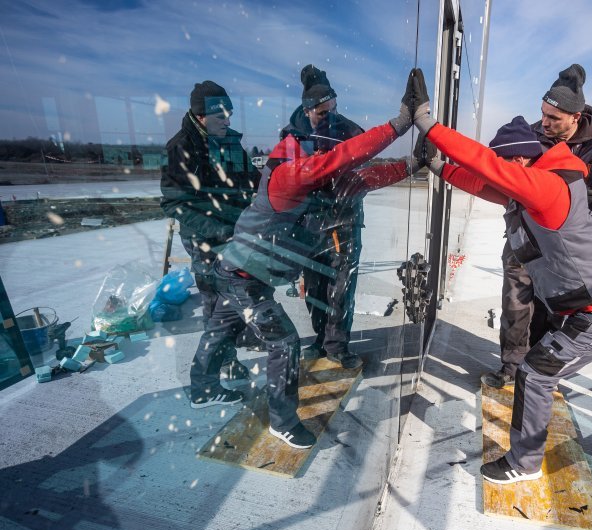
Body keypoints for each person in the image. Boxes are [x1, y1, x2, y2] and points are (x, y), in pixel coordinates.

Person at [411, 67, 592, 484]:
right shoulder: (548, 175)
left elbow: (487, 169)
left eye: (505, 162)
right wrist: (441, 168)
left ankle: (524, 463)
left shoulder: (546, 187)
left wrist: (429, 125)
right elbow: (485, 184)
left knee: (536, 373)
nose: (501, 169)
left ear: (518, 159)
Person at [186, 68, 425, 449]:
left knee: (218, 330)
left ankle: (201, 388)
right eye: (320, 151)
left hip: (235, 270)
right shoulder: (287, 177)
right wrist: (397, 125)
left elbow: (363, 176)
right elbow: (341, 158)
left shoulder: (309, 176)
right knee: (284, 343)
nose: (327, 156)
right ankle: (282, 421)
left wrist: (413, 163)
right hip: (245, 278)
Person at [481, 64, 592, 389]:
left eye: (553, 119)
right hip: (523, 238)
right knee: (515, 305)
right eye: (542, 114)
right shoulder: (531, 132)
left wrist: (555, 196)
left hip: (563, 247)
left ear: (576, 116)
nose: (543, 123)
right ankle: (512, 368)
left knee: (556, 311)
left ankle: (543, 372)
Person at [160, 80, 261, 382]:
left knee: (243, 291)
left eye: (229, 115)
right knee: (216, 300)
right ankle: (223, 362)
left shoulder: (229, 141)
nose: (228, 121)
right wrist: (218, 230)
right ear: (200, 116)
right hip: (204, 238)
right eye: (221, 116)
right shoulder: (181, 147)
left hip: (235, 232)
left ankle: (238, 339)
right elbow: (174, 203)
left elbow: (252, 179)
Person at [279, 65, 367, 369]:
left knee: (341, 287)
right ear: (308, 108)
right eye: (322, 111)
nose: (329, 115)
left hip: (343, 222)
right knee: (315, 287)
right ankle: (320, 339)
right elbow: (282, 177)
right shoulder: (291, 135)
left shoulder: (352, 132)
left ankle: (337, 345)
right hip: (308, 224)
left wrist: (342, 188)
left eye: (333, 108)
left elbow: (364, 174)